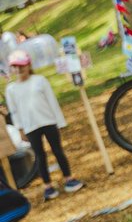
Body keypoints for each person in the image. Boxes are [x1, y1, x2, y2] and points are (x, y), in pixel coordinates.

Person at [5, 50, 84, 202]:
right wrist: (20, 129)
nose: (19, 70)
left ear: (29, 65)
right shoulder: (11, 89)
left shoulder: (40, 80)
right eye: (15, 67)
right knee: (40, 155)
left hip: (48, 121)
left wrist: (60, 122)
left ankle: (68, 178)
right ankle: (48, 186)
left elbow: (52, 102)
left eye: (21, 66)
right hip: (30, 126)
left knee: (57, 150)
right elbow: (14, 111)